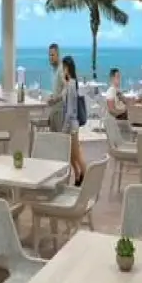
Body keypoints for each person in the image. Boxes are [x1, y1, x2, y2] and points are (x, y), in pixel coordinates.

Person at [61, 55, 86, 186]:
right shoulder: (70, 83)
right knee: (70, 154)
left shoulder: (71, 84)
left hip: (72, 125)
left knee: (76, 154)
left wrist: (64, 128)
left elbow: (70, 110)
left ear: (67, 68)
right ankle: (77, 175)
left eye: (63, 67)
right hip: (70, 123)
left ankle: (85, 176)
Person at [45, 43, 65, 132]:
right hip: (55, 110)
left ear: (58, 55)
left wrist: (56, 99)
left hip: (61, 111)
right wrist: (52, 96)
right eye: (49, 55)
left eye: (53, 55)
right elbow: (59, 89)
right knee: (54, 139)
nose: (50, 57)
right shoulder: (55, 70)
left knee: (60, 139)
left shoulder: (62, 69)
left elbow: (67, 88)